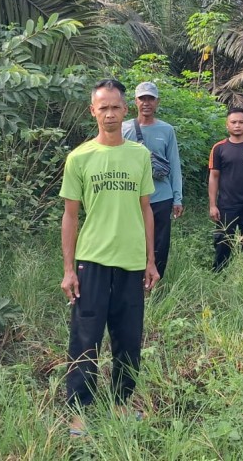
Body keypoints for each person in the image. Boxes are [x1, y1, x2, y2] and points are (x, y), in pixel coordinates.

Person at [60, 79, 159, 435]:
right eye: (103, 107)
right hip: (92, 262)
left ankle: (121, 404)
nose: (110, 113)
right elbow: (70, 216)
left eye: (116, 107)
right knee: (85, 338)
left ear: (125, 110)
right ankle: (79, 411)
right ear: (93, 111)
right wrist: (69, 269)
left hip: (131, 262)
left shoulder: (139, 156)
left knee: (128, 339)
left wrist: (150, 260)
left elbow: (146, 209)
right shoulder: (80, 157)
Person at [122, 81, 183, 279]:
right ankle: (133, 281)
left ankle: (154, 283)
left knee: (160, 244)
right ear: (135, 101)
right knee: (132, 240)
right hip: (131, 198)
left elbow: (174, 164)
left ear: (157, 102)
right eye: (142, 98)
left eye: (151, 99)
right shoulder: (123, 129)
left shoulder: (167, 130)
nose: (146, 103)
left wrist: (177, 198)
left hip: (160, 197)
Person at [207, 108, 243, 272]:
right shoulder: (219, 148)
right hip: (226, 205)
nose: (237, 125)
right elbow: (214, 177)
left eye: (241, 122)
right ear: (227, 125)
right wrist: (213, 205)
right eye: (233, 122)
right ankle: (219, 274)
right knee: (223, 242)